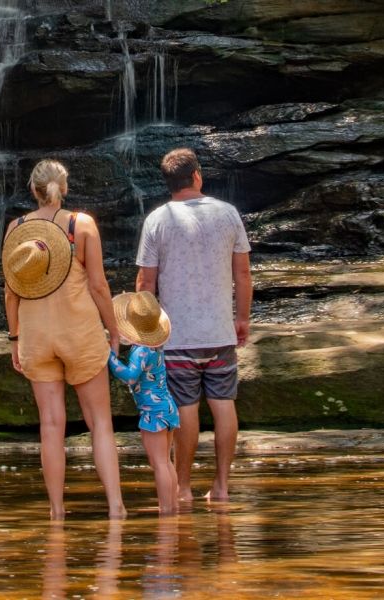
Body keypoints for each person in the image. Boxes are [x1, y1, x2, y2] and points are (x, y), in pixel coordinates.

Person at [2, 158, 126, 520]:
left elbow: (11, 292)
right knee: (100, 422)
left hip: (37, 336)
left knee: (51, 426)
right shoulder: (80, 224)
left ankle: (56, 512)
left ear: (33, 190)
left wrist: (14, 339)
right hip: (79, 332)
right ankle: (115, 507)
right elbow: (99, 286)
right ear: (64, 188)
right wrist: (114, 330)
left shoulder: (16, 229)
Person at [136, 148, 252, 501]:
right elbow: (243, 274)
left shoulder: (157, 219)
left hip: (177, 338)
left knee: (185, 409)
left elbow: (145, 284)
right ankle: (221, 486)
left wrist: (145, 332)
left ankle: (183, 487)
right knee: (223, 404)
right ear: (197, 176)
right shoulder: (228, 214)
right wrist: (242, 318)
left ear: (169, 183)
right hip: (219, 333)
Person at [108, 291, 179, 515]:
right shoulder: (156, 348)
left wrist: (108, 356)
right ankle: (173, 506)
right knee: (166, 462)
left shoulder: (140, 351)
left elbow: (130, 376)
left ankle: (165, 510)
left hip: (152, 412)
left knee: (158, 463)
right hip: (168, 408)